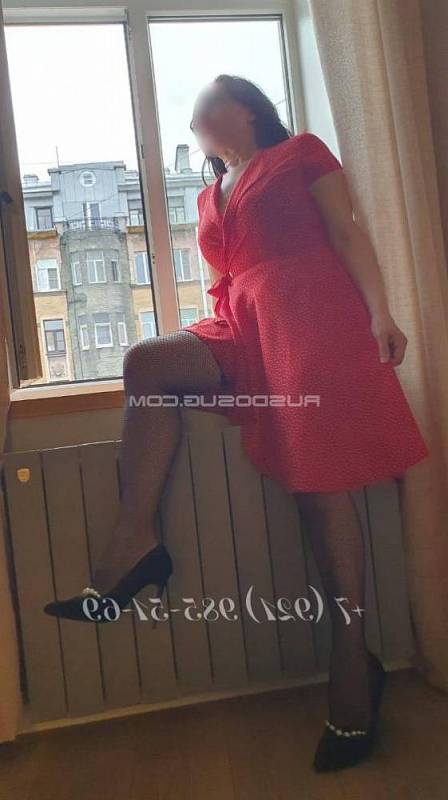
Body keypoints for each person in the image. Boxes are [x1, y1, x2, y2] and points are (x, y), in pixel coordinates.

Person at [45, 74, 429, 771]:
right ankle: (136, 542)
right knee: (147, 363)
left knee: (319, 493)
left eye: (204, 107)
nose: (192, 120)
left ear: (247, 109)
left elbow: (345, 231)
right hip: (241, 321)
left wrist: (381, 313)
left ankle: (353, 662)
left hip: (310, 321)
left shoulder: (300, 152)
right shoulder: (209, 193)